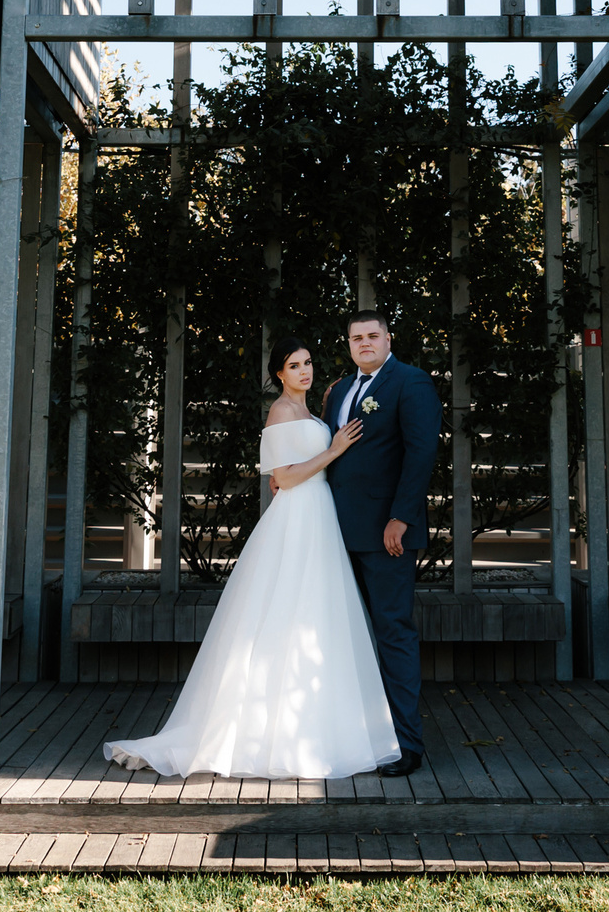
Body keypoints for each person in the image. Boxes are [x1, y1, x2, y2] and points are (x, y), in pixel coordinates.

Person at [103, 339, 400, 779]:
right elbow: (284, 477)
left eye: (308, 363)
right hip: (297, 518)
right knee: (284, 610)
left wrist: (328, 447)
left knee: (316, 616)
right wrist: (334, 450)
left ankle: (317, 729)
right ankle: (266, 732)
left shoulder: (315, 412)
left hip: (320, 516)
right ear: (279, 374)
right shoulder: (280, 411)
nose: (304, 371)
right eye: (294, 365)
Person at [320, 308, 441, 777]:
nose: (365, 343)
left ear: (389, 339)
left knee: (393, 632)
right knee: (341, 635)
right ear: (348, 344)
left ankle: (405, 745)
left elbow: (421, 451)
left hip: (386, 534)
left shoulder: (411, 383)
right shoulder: (339, 391)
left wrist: (400, 517)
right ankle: (352, 736)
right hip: (335, 531)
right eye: (356, 338)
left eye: (373, 336)